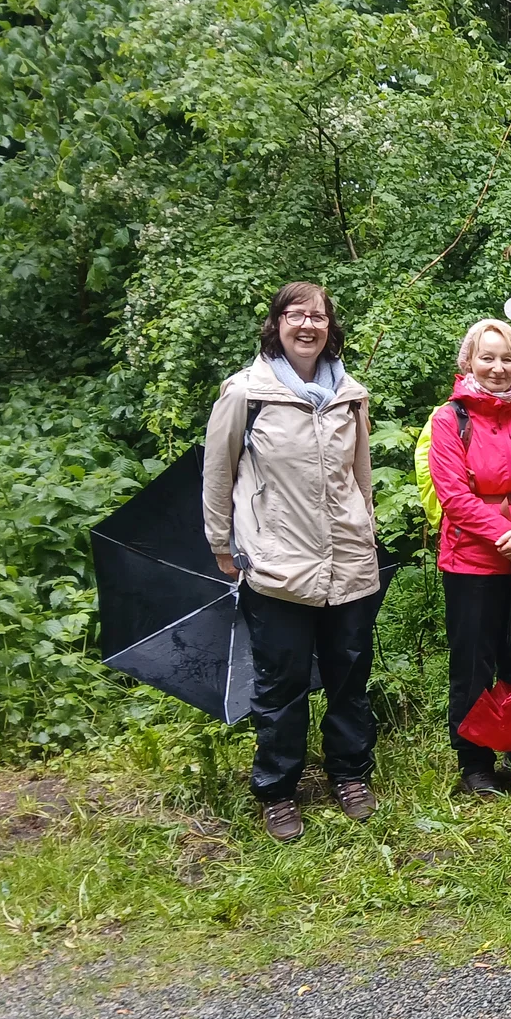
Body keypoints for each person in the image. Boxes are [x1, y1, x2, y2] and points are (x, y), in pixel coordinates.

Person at [203, 282, 381, 842]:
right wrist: (221, 543)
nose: (307, 325)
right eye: (296, 315)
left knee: (350, 677)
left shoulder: (350, 394)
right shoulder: (245, 394)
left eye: (318, 316)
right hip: (278, 563)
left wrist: (367, 532)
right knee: (281, 683)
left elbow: (359, 475)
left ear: (330, 326)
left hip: (348, 560)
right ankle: (278, 791)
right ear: (276, 323)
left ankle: (349, 774)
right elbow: (218, 473)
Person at [426, 319, 511, 797]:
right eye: (487, 357)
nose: (498, 367)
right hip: (472, 561)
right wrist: (510, 538)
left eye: (507, 358)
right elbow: (454, 496)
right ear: (469, 362)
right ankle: (475, 762)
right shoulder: (450, 420)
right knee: (474, 663)